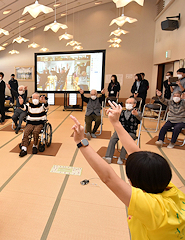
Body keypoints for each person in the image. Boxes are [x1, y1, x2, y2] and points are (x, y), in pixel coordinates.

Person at [70, 101, 185, 240]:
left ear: (135, 183)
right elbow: (135, 152)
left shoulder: (151, 207)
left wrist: (81, 143)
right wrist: (116, 123)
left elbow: (108, 177)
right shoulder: (171, 190)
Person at [103, 98, 142, 164]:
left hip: (131, 132)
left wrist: (137, 115)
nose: (128, 104)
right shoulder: (122, 112)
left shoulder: (137, 112)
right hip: (121, 131)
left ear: (134, 104)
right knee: (112, 139)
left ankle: (121, 157)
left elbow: (140, 118)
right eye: (127, 103)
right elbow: (116, 116)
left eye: (130, 103)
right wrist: (111, 112)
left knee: (126, 141)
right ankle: (108, 157)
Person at [18, 93, 48, 157]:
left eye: (37, 98)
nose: (35, 99)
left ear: (39, 98)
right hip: (30, 122)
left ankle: (35, 145)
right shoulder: (29, 105)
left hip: (39, 123)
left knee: (36, 131)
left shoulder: (42, 105)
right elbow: (24, 108)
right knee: (26, 132)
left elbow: (47, 107)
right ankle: (24, 149)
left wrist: (44, 102)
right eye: (34, 98)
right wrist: (21, 104)